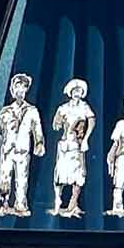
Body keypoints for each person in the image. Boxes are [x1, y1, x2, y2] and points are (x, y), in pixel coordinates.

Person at [0, 71, 45, 218]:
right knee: (4, 176)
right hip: (8, 149)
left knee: (22, 178)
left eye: (23, 88)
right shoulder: (6, 111)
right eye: (17, 87)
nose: (20, 91)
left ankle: (20, 205)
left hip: (22, 149)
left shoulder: (32, 111)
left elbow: (37, 128)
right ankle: (3, 203)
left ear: (26, 90)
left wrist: (39, 143)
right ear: (13, 90)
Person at [50, 77, 96, 218]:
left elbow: (92, 121)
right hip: (65, 143)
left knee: (78, 174)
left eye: (79, 91)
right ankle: (58, 200)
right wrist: (59, 122)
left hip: (77, 144)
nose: (77, 93)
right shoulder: (63, 108)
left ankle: (73, 202)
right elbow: (55, 124)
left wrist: (85, 139)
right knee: (60, 173)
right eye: (75, 90)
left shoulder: (84, 107)